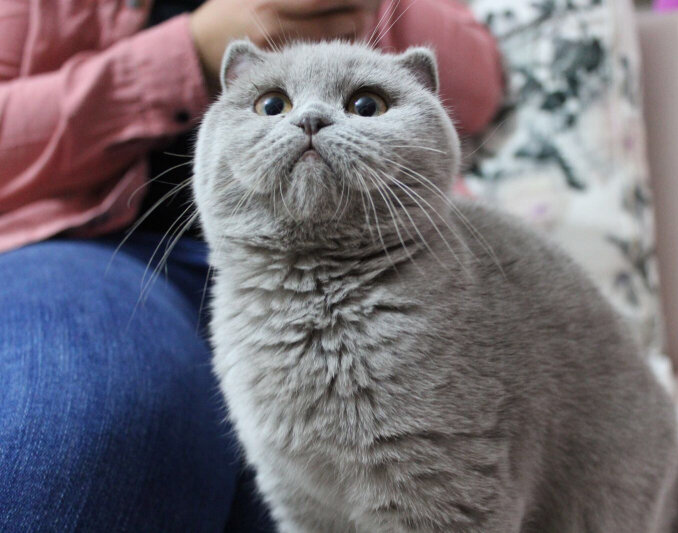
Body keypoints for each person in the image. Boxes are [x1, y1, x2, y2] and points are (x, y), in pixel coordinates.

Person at [0, 0, 504, 530]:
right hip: (95, 247)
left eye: (365, 104)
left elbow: (478, 91)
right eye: (272, 104)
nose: (309, 118)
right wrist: (187, 49)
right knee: (63, 434)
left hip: (387, 251)